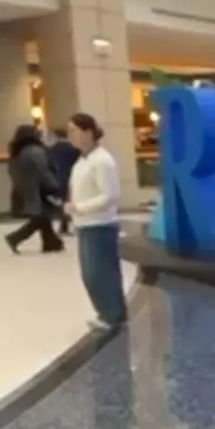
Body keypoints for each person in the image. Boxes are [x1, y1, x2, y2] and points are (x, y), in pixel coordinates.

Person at [64, 113, 127, 331]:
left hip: (100, 225)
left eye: (74, 130)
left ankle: (113, 315)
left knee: (101, 273)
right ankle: (106, 312)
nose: (70, 135)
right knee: (91, 274)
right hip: (86, 224)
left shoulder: (102, 161)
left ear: (88, 132)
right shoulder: (83, 161)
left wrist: (79, 207)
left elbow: (110, 196)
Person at [4, 124, 64, 254]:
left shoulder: (17, 152)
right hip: (39, 190)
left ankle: (51, 242)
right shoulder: (35, 151)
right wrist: (54, 185)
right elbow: (43, 171)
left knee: (43, 217)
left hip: (26, 190)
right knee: (40, 218)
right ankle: (15, 238)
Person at [48, 125, 81, 235]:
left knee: (63, 202)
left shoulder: (52, 149)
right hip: (72, 177)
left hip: (58, 178)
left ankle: (64, 225)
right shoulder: (73, 148)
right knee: (72, 200)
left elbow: (49, 165)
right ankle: (69, 224)